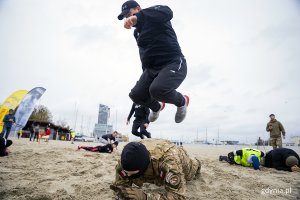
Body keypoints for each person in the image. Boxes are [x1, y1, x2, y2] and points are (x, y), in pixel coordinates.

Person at [118, 1, 189, 124]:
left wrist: (138, 17)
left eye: (128, 14)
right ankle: (157, 107)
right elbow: (144, 52)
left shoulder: (156, 16)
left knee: (157, 90)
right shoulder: (137, 33)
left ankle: (182, 101)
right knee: (136, 95)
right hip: (151, 69)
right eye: (125, 17)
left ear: (138, 9)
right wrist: (145, 74)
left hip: (173, 61)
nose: (127, 18)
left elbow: (168, 11)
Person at [111, 139, 201, 199]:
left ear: (143, 167)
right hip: (148, 149)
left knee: (190, 174)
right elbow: (121, 185)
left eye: (132, 173)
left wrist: (145, 197)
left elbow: (178, 196)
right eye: (126, 172)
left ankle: (197, 163)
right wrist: (122, 192)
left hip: (175, 153)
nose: (128, 176)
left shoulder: (168, 162)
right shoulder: (126, 160)